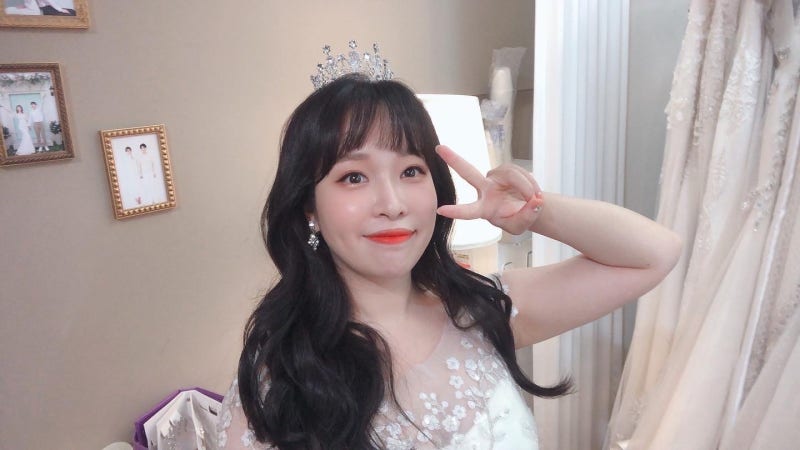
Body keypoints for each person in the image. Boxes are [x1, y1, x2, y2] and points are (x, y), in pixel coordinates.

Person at [216, 73, 682, 449]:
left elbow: (655, 254)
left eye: (411, 171)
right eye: (354, 177)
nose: (393, 203)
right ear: (309, 207)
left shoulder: (480, 309)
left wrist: (534, 212)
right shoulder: (282, 371)